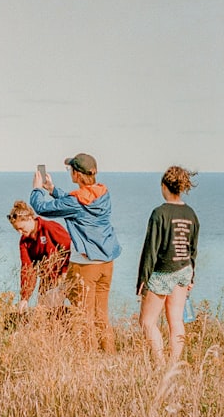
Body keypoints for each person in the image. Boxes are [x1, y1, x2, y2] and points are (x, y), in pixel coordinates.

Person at [30, 153, 121, 352]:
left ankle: (88, 359)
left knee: (83, 315)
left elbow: (42, 209)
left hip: (86, 265)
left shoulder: (75, 201)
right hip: (106, 263)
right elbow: (75, 202)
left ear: (78, 175)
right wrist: (53, 190)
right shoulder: (103, 193)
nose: (70, 172)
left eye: (70, 169)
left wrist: (37, 189)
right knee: (100, 314)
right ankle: (109, 354)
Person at [136, 166, 199, 365]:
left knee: (147, 322)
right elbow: (193, 247)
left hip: (163, 271)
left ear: (164, 186)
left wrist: (143, 279)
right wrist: (192, 277)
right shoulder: (191, 214)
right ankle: (174, 365)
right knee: (176, 320)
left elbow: (151, 249)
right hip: (184, 269)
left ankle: (161, 363)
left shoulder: (159, 213)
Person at [7, 200, 72, 313]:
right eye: (16, 229)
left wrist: (65, 271)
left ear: (30, 219)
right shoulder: (24, 242)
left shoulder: (50, 227)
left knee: (79, 308)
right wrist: (25, 298)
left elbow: (69, 248)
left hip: (68, 275)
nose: (20, 232)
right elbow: (27, 269)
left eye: (21, 228)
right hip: (47, 280)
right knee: (46, 312)